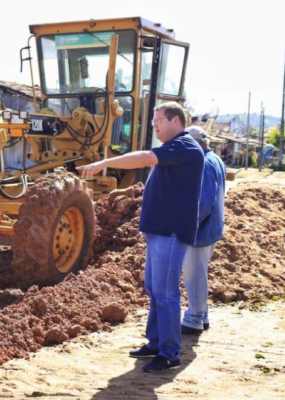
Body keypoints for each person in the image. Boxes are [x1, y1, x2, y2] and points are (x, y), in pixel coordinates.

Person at [78, 102, 204, 372]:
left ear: (175, 121)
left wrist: (105, 163)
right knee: (154, 288)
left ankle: (170, 353)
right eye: (154, 121)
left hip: (170, 233)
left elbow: (146, 157)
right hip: (159, 232)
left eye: (158, 120)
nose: (155, 125)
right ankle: (156, 342)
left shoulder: (185, 146)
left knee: (166, 292)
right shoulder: (175, 149)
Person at [181, 126, 226, 335]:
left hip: (201, 230)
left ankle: (195, 319)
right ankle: (203, 314)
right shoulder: (214, 159)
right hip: (212, 228)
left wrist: (189, 226)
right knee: (199, 272)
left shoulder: (204, 164)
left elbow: (203, 204)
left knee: (194, 275)